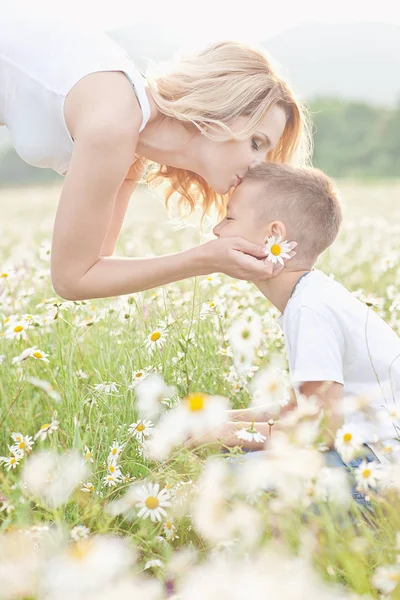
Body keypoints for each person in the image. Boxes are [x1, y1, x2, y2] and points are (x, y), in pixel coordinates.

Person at [0, 15, 311, 301]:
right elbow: (71, 279)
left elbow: (93, 265)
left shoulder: (130, 138)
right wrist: (206, 259)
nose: (259, 166)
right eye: (257, 143)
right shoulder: (116, 123)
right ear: (221, 109)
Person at [186, 162, 400, 473]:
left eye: (229, 218)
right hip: (369, 453)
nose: (217, 230)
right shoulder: (313, 296)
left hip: (378, 467)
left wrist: (226, 435)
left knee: (233, 475)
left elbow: (322, 430)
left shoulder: (310, 309)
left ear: (273, 235)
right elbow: (295, 409)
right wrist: (220, 422)